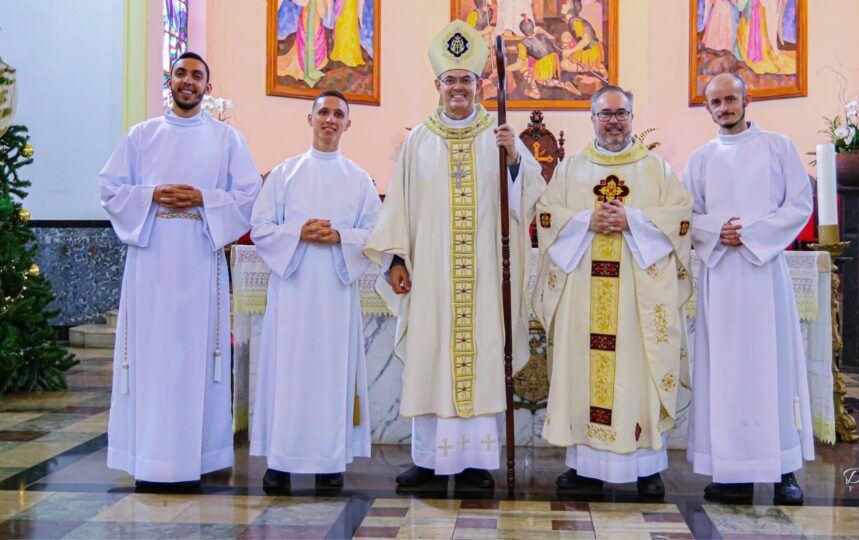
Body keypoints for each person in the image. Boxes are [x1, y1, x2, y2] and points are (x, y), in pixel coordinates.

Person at [364, 20, 546, 490]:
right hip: (432, 277)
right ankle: (428, 461)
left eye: (467, 80)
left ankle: (475, 463)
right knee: (430, 358)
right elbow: (399, 205)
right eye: (451, 80)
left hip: (485, 275)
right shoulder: (419, 141)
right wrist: (397, 261)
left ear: (480, 84)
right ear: (438, 85)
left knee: (483, 354)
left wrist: (513, 163)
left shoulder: (502, 135)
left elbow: (533, 198)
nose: (459, 88)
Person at [99, 52, 261, 490]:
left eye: (197, 76)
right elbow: (109, 190)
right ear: (168, 81)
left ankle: (199, 457)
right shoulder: (141, 136)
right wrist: (151, 195)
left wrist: (203, 200)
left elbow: (249, 196)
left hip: (198, 258)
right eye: (180, 73)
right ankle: (149, 458)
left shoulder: (228, 139)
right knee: (150, 357)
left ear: (208, 88)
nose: (187, 81)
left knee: (196, 357)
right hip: (150, 260)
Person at [533, 86, 693, 498]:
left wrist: (632, 220)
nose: (614, 121)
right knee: (584, 374)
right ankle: (585, 465)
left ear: (633, 117)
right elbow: (547, 214)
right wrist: (587, 220)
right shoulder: (571, 169)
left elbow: (680, 218)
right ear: (592, 119)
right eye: (605, 114)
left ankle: (645, 465)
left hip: (638, 300)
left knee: (636, 374)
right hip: (583, 295)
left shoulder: (655, 168)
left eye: (621, 113)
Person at [684, 72, 813, 505]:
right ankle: (730, 472)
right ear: (707, 109)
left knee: (770, 369)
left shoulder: (779, 147)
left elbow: (799, 204)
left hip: (764, 276)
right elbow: (688, 215)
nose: (724, 108)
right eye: (715, 102)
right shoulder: (700, 158)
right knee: (723, 374)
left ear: (747, 99)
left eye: (730, 99)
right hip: (720, 277)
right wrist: (718, 232)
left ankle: (782, 470)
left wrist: (753, 235)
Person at [249, 90, 379, 492]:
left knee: (332, 374)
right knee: (287, 372)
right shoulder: (284, 174)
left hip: (335, 296)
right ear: (310, 119)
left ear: (347, 124)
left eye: (338, 114)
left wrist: (341, 236)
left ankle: (329, 462)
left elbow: (376, 235)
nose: (330, 119)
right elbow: (261, 229)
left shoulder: (359, 179)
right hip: (292, 292)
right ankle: (281, 462)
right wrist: (298, 232)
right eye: (323, 112)